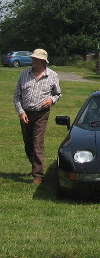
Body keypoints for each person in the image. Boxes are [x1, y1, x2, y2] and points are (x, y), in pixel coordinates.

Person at [13, 49, 61, 184]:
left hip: (42, 114)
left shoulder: (52, 75)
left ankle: (38, 175)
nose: (33, 61)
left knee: (37, 143)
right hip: (26, 113)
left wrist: (51, 100)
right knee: (28, 144)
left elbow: (58, 94)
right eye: (33, 59)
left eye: (36, 59)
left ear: (43, 61)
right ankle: (35, 166)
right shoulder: (24, 74)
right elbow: (17, 96)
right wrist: (21, 112)